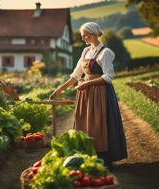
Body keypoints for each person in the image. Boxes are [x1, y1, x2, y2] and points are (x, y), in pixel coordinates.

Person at [49, 22, 127, 167]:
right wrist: (60, 89)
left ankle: (104, 157)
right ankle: (87, 154)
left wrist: (87, 83)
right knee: (84, 123)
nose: (83, 38)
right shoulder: (85, 51)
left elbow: (109, 77)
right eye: (82, 35)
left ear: (94, 34)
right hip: (86, 95)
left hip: (101, 94)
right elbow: (76, 75)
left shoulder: (105, 53)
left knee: (99, 124)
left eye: (86, 35)